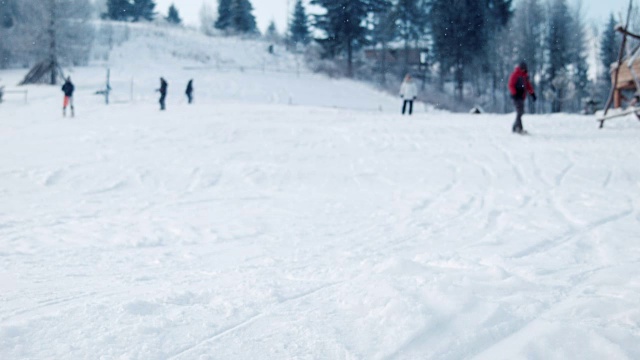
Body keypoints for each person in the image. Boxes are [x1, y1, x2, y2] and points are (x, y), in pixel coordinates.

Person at [508, 62, 537, 134]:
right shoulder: (515, 75)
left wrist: (532, 94)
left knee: (521, 112)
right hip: (516, 96)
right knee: (519, 111)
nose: (524, 70)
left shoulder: (524, 76)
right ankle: (518, 127)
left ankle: (516, 127)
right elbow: (511, 85)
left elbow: (528, 86)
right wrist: (514, 93)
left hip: (521, 97)